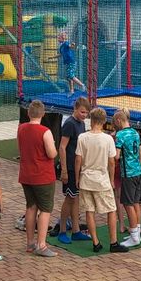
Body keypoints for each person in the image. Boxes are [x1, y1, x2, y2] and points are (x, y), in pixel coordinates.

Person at [75, 107, 128, 253]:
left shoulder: (82, 137)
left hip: (86, 179)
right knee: (111, 210)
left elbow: (78, 160)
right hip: (102, 180)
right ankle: (113, 242)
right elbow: (112, 162)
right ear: (104, 121)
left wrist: (77, 177)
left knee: (89, 211)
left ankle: (95, 242)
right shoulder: (108, 139)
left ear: (90, 120)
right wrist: (111, 180)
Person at [16, 100, 58, 257]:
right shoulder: (45, 131)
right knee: (45, 209)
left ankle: (30, 243)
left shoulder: (21, 128)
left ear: (28, 113)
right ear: (43, 114)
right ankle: (41, 244)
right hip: (43, 176)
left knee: (31, 207)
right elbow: (52, 154)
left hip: (26, 175)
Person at [57, 96, 92, 245]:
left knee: (76, 198)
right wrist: (64, 170)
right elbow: (62, 147)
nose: (84, 115)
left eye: (86, 113)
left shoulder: (81, 124)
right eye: (82, 112)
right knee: (69, 198)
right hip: (70, 168)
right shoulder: (70, 124)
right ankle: (62, 230)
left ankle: (76, 230)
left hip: (77, 168)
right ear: (75, 109)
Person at [113, 109, 141, 247]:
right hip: (138, 172)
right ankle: (136, 231)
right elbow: (140, 152)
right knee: (136, 202)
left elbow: (117, 156)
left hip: (128, 174)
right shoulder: (135, 132)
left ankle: (134, 236)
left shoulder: (120, 134)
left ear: (119, 121)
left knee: (128, 204)